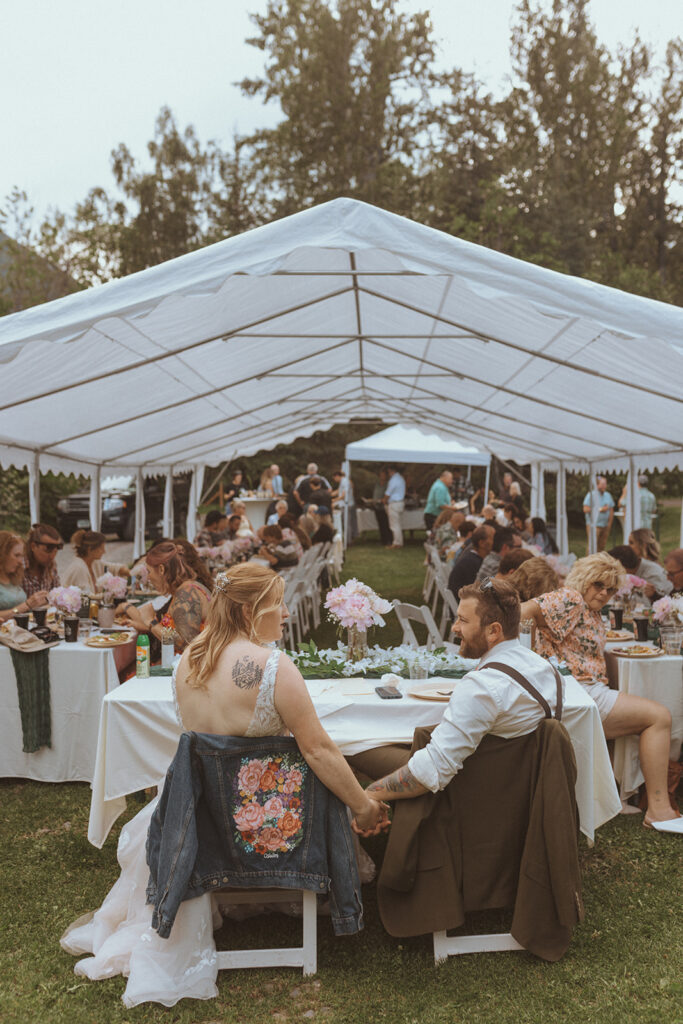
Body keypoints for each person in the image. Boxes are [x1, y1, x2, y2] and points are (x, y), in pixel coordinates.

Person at [61, 565, 388, 1007]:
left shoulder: (188, 661)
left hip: (204, 824)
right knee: (324, 777)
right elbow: (319, 751)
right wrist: (363, 806)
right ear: (254, 611)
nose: (288, 612)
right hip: (271, 827)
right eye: (280, 603)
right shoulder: (273, 666)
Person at [356, 579, 564, 806]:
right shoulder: (549, 671)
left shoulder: (483, 686)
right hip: (513, 791)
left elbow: (430, 772)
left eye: (463, 621)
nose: (454, 628)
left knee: (350, 747)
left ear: (494, 631)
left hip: (466, 798)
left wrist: (365, 798)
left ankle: (348, 829)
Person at [521, 552, 678, 827]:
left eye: (611, 589)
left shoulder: (587, 607)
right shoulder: (571, 598)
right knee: (659, 717)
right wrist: (518, 649)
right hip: (577, 693)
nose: (605, 593)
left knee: (648, 711)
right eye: (598, 585)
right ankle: (658, 808)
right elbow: (525, 610)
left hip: (582, 688)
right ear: (583, 581)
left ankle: (623, 795)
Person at [118, 541, 211, 651]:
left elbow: (186, 645)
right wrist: (147, 626)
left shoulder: (186, 594)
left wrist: (151, 622)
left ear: (161, 569)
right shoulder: (186, 589)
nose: (147, 578)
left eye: (149, 572)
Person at [0, 531, 49, 622]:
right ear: (2, 555)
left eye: (21, 556)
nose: (20, 561)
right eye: (16, 555)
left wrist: (39, 604)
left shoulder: (12, 578)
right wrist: (26, 605)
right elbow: (22, 608)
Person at [63, 530, 130, 592]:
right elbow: (86, 596)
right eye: (101, 548)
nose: (104, 551)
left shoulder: (94, 563)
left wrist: (133, 574)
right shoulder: (79, 568)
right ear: (90, 550)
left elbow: (116, 568)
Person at [448, 524, 494, 599]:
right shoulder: (472, 563)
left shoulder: (471, 557)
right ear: (481, 543)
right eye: (493, 538)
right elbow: (482, 590)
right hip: (463, 604)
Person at [22, 523, 62, 597]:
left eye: (55, 552)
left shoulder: (51, 565)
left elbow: (58, 595)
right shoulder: (19, 566)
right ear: (33, 546)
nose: (52, 557)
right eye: (48, 551)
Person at [582, 476, 615, 553]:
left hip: (605, 525)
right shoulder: (591, 495)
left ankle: (598, 563)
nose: (604, 486)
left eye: (605, 484)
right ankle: (589, 563)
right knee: (592, 547)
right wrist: (600, 509)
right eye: (602, 484)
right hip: (594, 526)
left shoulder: (608, 495)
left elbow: (611, 510)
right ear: (597, 485)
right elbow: (585, 509)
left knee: (602, 547)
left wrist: (609, 524)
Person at [331, 468, 358, 543]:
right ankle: (348, 539)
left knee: (346, 523)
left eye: (334, 478)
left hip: (347, 505)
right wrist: (328, 495)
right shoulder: (342, 481)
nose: (334, 480)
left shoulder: (345, 481)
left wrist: (334, 500)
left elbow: (343, 495)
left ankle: (348, 540)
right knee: (346, 522)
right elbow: (338, 491)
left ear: (337, 476)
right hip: (345, 504)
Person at [383, 464, 406, 549]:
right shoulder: (401, 478)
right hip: (400, 502)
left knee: (394, 524)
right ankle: (399, 542)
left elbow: (388, 493)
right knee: (398, 524)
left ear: (391, 471)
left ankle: (397, 543)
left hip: (394, 504)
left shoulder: (393, 480)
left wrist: (384, 500)